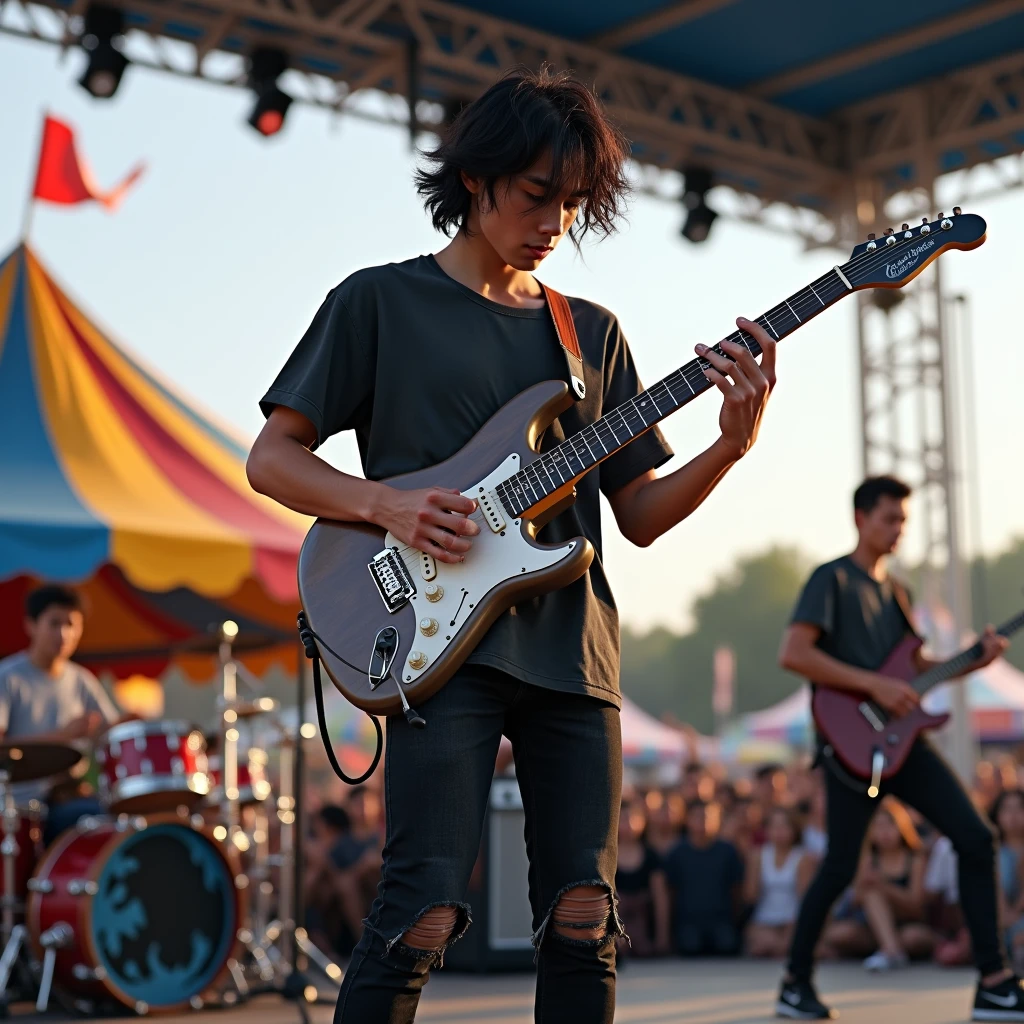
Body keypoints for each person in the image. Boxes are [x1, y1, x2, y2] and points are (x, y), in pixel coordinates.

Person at [248, 66, 778, 1023]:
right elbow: (271, 459)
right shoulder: (377, 302)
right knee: (421, 910)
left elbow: (644, 515)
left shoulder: (592, 335)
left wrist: (730, 448)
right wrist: (387, 508)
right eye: (538, 196)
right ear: (478, 179)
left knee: (584, 914)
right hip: (431, 644)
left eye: (573, 205)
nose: (555, 223)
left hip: (573, 656)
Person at [774, 475, 1018, 1021]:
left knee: (977, 837)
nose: (898, 529)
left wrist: (972, 660)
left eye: (904, 520)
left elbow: (913, 668)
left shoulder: (896, 590)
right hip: (849, 741)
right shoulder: (831, 579)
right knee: (839, 867)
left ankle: (995, 981)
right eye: (889, 518)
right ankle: (795, 983)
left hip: (899, 742)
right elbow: (794, 653)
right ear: (860, 518)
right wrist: (872, 685)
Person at [0, 585, 120, 843]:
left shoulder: (82, 680)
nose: (63, 634)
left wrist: (132, 726)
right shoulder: (8, 677)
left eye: (71, 624)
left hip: (70, 797)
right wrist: (63, 736)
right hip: (20, 807)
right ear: (31, 625)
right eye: (54, 623)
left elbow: (111, 734)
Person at [822, 798, 933, 971]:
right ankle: (890, 948)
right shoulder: (867, 859)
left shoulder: (915, 859)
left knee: (912, 938)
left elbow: (916, 905)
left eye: (890, 826)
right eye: (878, 826)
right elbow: (856, 900)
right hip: (872, 926)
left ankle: (890, 950)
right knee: (840, 932)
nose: (885, 833)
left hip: (907, 922)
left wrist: (884, 887)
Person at [662, 799, 744, 956]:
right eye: (698, 817)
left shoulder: (728, 851)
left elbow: (736, 891)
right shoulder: (677, 852)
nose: (703, 822)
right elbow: (671, 891)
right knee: (689, 948)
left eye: (708, 817)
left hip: (721, 920)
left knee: (727, 947)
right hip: (688, 921)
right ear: (688, 820)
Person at [746, 807, 816, 958]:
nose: (779, 832)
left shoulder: (803, 858)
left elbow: (804, 898)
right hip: (764, 921)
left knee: (785, 944)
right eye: (774, 827)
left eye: (784, 826)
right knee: (761, 945)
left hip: (792, 921)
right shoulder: (758, 856)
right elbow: (750, 895)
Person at [614, 791, 670, 958]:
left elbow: (660, 897)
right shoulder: (608, 856)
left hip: (643, 920)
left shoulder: (651, 855)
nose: (629, 825)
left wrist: (662, 936)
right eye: (623, 819)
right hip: (617, 919)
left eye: (634, 819)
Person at [991, 790, 1024, 972]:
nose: (1014, 816)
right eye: (1007, 809)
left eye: (1020, 808)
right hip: (1006, 926)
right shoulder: (995, 854)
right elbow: (1003, 915)